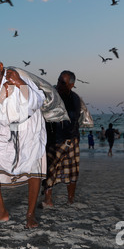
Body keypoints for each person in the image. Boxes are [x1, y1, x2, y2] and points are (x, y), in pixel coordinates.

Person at [0, 52, 47, 228]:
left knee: (34, 165)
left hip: (29, 125)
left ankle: (30, 215)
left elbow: (38, 101)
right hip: (4, 126)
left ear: (0, 67)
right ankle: (1, 211)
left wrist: (20, 84)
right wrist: (1, 96)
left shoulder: (18, 75)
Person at [42, 70, 81, 207]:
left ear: (71, 85)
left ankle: (70, 199)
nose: (59, 84)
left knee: (72, 172)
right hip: (52, 140)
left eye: (63, 82)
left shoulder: (75, 99)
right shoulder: (50, 95)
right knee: (49, 170)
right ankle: (48, 200)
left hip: (70, 140)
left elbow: (72, 119)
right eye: (59, 80)